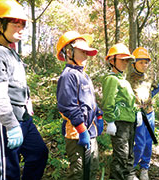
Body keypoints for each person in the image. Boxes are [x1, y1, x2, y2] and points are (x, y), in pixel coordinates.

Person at [0, 0, 49, 179]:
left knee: (39, 153)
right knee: (8, 170)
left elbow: (19, 84)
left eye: (23, 24)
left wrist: (28, 103)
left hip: (23, 118)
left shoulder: (11, 51)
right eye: (15, 24)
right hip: (4, 121)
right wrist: (10, 125)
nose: (21, 28)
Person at [56, 31, 104, 180]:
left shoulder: (84, 75)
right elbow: (67, 106)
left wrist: (99, 115)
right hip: (76, 133)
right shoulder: (68, 75)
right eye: (82, 52)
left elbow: (90, 101)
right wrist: (81, 129)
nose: (86, 56)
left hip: (91, 132)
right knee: (78, 172)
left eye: (87, 52)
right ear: (69, 52)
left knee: (92, 168)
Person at [101, 43, 137, 180]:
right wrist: (110, 121)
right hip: (119, 122)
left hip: (129, 121)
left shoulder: (123, 80)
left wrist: (136, 113)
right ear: (112, 61)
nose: (125, 63)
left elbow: (129, 101)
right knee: (121, 156)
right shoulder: (111, 79)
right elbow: (108, 101)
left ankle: (129, 177)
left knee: (129, 155)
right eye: (122, 60)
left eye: (127, 60)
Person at [126, 47, 159, 180]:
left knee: (148, 142)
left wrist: (150, 96)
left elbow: (157, 87)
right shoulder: (129, 78)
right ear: (134, 63)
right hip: (137, 115)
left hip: (150, 113)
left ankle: (144, 167)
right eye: (141, 62)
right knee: (139, 143)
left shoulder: (149, 78)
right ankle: (132, 168)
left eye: (146, 62)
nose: (144, 65)